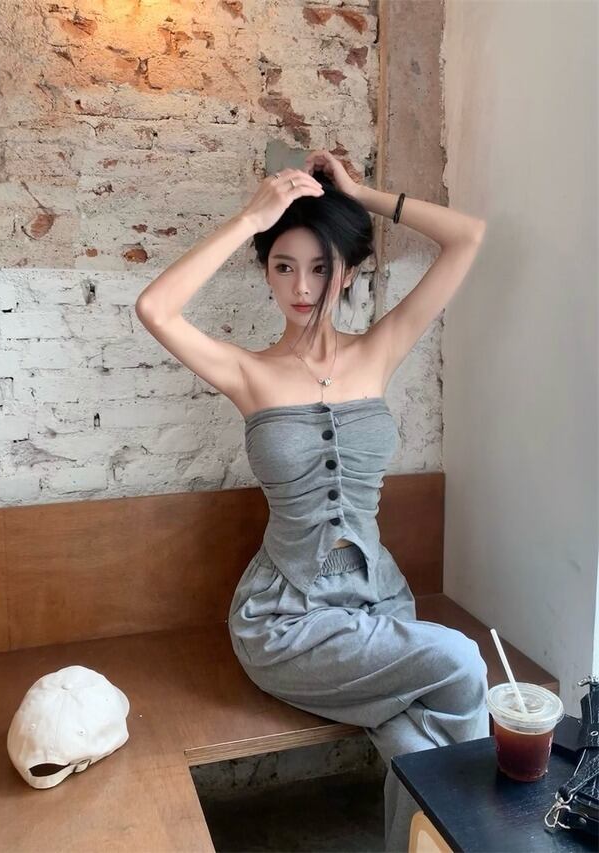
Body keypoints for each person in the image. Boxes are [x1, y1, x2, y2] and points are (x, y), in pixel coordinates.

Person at [135, 150, 489, 852]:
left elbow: (467, 236)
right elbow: (155, 308)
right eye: (283, 266)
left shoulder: (378, 350)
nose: (302, 287)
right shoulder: (249, 372)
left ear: (349, 270)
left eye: (321, 267)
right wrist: (251, 217)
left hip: (378, 605)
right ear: (266, 272)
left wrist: (361, 195)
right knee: (461, 660)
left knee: (415, 751)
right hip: (286, 623)